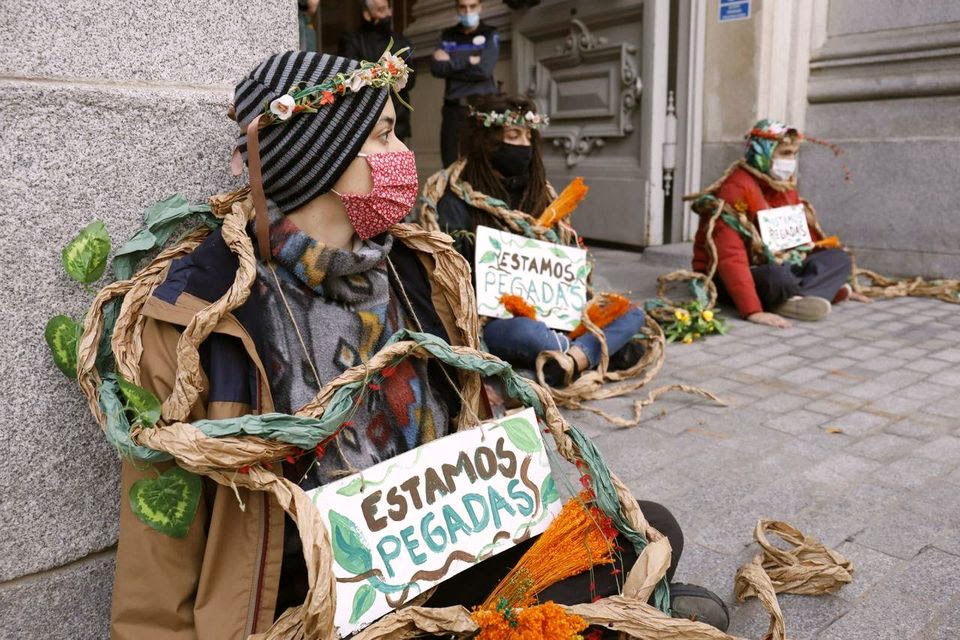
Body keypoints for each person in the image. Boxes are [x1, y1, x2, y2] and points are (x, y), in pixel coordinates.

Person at [110, 49, 475, 639]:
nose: (404, 157)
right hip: (314, 607)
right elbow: (161, 544)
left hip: (449, 556)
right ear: (320, 157)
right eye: (384, 136)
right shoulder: (204, 314)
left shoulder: (415, 268)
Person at [416, 95, 644, 387]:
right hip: (498, 321)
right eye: (513, 136)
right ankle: (598, 351)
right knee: (527, 333)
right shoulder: (455, 201)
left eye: (528, 136)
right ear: (487, 141)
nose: (523, 145)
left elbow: (564, 262)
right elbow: (449, 282)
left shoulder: (539, 193)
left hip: (557, 316)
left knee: (631, 313)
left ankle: (572, 360)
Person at [692, 119, 869, 329]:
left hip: (779, 262)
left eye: (794, 154)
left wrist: (838, 275)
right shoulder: (735, 187)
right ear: (763, 153)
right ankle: (808, 294)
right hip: (739, 272)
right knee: (777, 277)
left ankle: (791, 299)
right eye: (785, 153)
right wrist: (753, 311)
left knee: (838, 258)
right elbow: (730, 256)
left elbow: (800, 237)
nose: (791, 160)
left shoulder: (784, 185)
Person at [430, 0, 500, 167]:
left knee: (484, 166)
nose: (468, 11)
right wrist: (469, 60)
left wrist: (451, 62)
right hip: (453, 111)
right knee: (451, 166)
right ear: (457, 8)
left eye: (472, 6)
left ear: (480, 6)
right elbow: (437, 68)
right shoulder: (447, 36)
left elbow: (483, 70)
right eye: (463, 7)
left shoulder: (491, 34)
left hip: (482, 108)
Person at [339, 0, 416, 142]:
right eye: (381, 10)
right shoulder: (352, 39)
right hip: (365, 119)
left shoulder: (400, 40)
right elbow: (352, 73)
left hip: (397, 121)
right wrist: (389, 71)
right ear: (367, 15)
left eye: (388, 9)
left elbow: (410, 79)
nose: (388, 14)